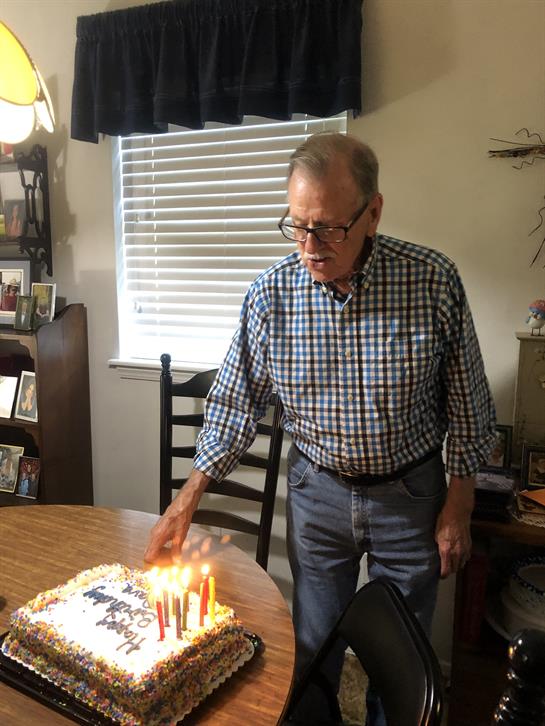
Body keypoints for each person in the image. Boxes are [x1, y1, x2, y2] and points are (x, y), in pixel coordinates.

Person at [144, 133, 496, 725]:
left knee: (398, 660)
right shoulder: (269, 296)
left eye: (329, 228)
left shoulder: (432, 282)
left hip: (409, 495)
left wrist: (457, 509)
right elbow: (234, 405)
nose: (310, 246)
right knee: (314, 643)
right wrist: (185, 502)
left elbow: (469, 410)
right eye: (297, 225)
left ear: (373, 212)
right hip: (317, 492)